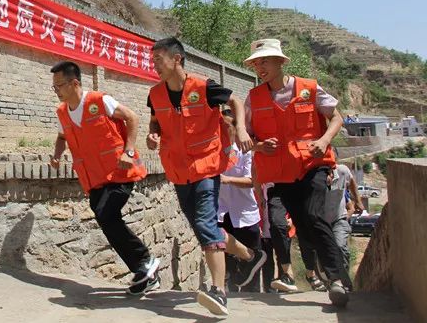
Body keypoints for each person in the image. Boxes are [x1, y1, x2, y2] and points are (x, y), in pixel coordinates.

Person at [146, 37, 266, 316]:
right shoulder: (155, 94)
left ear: (177, 59)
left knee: (204, 223)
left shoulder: (204, 86)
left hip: (207, 166)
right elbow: (155, 119)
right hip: (178, 170)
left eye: (159, 60)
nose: (155, 66)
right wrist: (153, 134)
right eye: (153, 61)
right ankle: (250, 255)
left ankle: (218, 290)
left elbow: (235, 100)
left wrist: (244, 130)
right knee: (204, 226)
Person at [244, 39, 351, 307]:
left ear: (281, 62)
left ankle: (336, 280)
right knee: (303, 226)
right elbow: (244, 137)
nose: (260, 67)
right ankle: (335, 274)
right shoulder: (253, 98)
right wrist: (258, 145)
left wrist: (325, 141)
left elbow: (336, 117)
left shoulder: (309, 89)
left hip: (312, 165)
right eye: (256, 63)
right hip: (280, 173)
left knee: (314, 217)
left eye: (264, 61)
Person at [48, 60, 159, 296]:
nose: (56, 90)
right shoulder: (62, 112)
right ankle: (144, 270)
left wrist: (129, 151)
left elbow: (132, 118)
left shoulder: (99, 101)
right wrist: (56, 156)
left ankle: (145, 262)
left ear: (74, 82)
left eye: (59, 85)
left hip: (120, 172)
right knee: (104, 216)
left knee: (107, 213)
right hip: (94, 180)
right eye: (54, 87)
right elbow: (62, 137)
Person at [217, 109, 262, 292]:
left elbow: (252, 181)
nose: (224, 129)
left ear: (236, 128)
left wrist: (226, 180)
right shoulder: (214, 151)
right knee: (227, 264)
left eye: (227, 125)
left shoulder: (246, 152)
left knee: (251, 264)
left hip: (245, 214)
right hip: (222, 213)